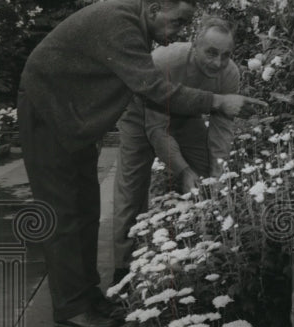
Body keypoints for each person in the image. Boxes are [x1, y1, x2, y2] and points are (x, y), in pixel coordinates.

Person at [18, 0, 252, 327]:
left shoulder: (133, 20)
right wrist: (215, 102)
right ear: (154, 11)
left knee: (84, 207)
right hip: (47, 111)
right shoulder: (122, 26)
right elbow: (155, 91)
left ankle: (88, 298)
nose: (177, 31)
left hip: (68, 117)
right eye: (175, 22)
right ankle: (71, 309)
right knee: (65, 212)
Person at [111, 16, 260, 280]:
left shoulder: (229, 74)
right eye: (211, 53)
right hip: (141, 114)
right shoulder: (164, 61)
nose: (218, 62)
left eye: (225, 55)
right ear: (194, 45)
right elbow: (157, 129)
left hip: (188, 117)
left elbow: (221, 131)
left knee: (205, 173)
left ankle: (195, 247)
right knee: (132, 188)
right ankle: (124, 270)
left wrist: (217, 174)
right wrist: (181, 170)